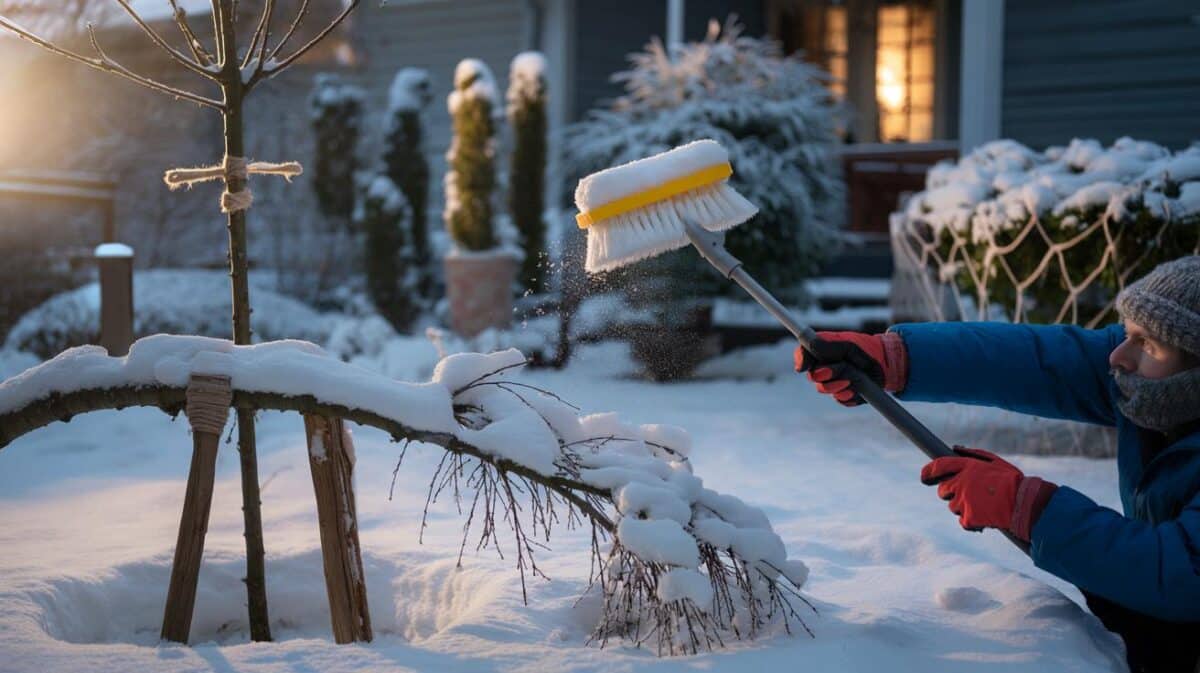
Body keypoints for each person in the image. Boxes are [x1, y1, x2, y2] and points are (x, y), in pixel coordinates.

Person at [795, 256, 1200, 673]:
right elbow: (1043, 362)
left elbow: (1185, 574)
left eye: (1147, 343)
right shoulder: (1153, 385)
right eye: (1128, 333)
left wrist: (1028, 507)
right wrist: (894, 358)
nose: (1118, 355)